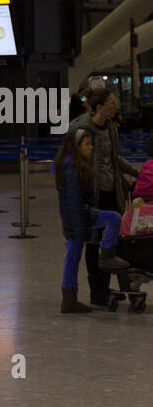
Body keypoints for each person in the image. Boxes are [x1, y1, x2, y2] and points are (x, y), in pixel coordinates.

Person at [70, 83, 139, 307]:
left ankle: (105, 287)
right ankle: (96, 292)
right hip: (93, 195)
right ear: (99, 107)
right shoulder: (81, 128)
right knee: (93, 243)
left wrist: (137, 172)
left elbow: (115, 159)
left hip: (112, 193)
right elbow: (70, 159)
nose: (115, 106)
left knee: (111, 243)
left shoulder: (110, 127)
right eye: (111, 103)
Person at [55, 127, 127, 313]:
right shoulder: (72, 169)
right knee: (73, 255)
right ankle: (106, 256)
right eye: (87, 144)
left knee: (112, 218)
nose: (91, 147)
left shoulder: (75, 166)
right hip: (77, 219)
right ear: (76, 147)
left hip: (79, 217)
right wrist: (81, 229)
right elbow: (73, 202)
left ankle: (106, 256)